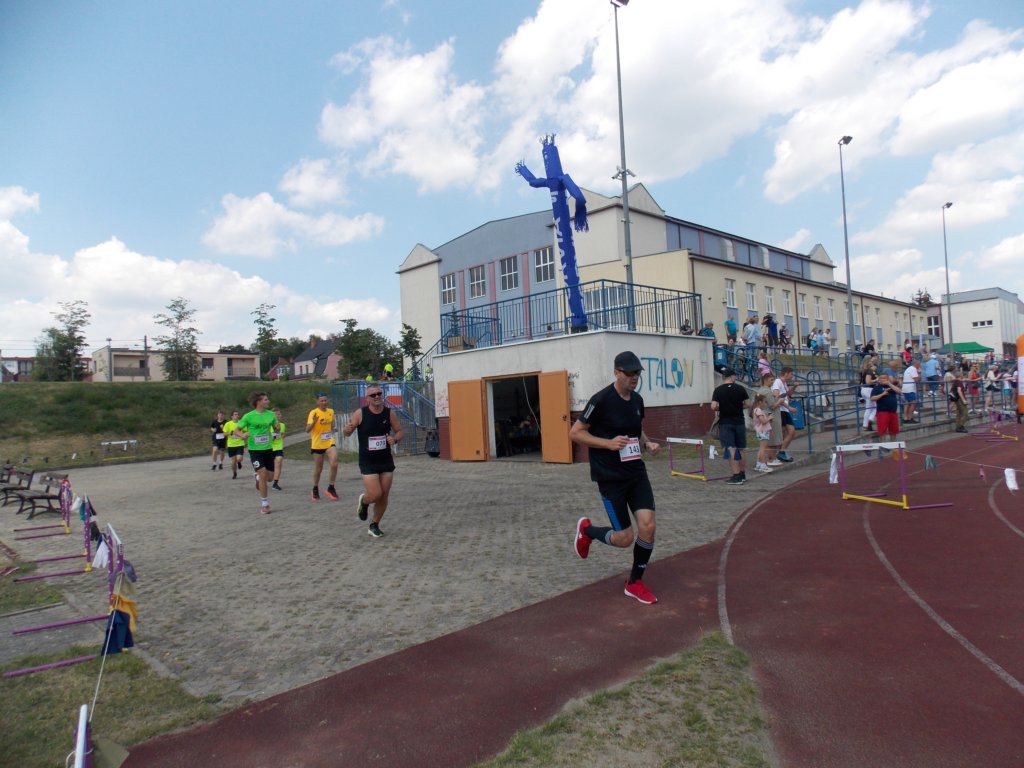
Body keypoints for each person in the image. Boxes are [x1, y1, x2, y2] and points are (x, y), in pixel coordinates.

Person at [570, 351, 661, 605]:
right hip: (610, 478)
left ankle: (634, 583)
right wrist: (608, 443)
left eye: (638, 373)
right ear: (616, 372)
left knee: (648, 526)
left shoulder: (638, 400)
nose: (635, 378)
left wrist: (647, 443)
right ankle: (587, 531)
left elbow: (637, 429)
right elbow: (576, 433)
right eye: (630, 373)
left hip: (636, 473)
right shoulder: (600, 400)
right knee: (624, 539)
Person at [343, 384, 404, 538]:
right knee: (375, 494)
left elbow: (399, 431)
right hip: (368, 461)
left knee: (384, 495)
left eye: (379, 393)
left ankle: (374, 524)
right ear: (367, 399)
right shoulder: (360, 413)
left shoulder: (389, 413)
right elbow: (347, 432)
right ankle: (364, 501)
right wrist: (347, 430)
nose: (377, 397)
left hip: (385, 460)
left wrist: (394, 439)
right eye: (373, 395)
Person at [233, 391, 280, 515]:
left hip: (268, 449)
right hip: (255, 450)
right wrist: (242, 435)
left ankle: (257, 477)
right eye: (266, 400)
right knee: (263, 474)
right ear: (258, 402)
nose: (268, 401)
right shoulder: (249, 416)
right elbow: (236, 430)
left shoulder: (271, 414)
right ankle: (265, 504)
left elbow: (276, 428)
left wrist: (277, 427)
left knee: (270, 478)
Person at [711, 366, 751, 484]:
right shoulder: (740, 388)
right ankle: (742, 474)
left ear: (724, 377)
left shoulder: (718, 390)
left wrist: (722, 407)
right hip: (739, 422)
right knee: (741, 448)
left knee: (730, 448)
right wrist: (738, 406)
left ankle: (736, 475)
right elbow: (748, 404)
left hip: (725, 422)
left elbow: (713, 406)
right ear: (732, 377)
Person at [305, 392, 339, 502]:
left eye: (325, 400)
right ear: (317, 402)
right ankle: (315, 488)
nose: (324, 402)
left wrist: (333, 429)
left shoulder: (331, 411)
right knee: (319, 468)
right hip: (317, 444)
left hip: (329, 442)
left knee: (334, 463)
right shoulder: (313, 413)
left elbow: (332, 425)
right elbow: (307, 430)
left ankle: (331, 487)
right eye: (322, 401)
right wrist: (314, 422)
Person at [771, 367, 799, 462]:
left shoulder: (784, 383)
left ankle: (781, 452)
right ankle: (780, 453)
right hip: (781, 410)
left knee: (788, 433)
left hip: (784, 410)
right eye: (791, 374)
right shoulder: (777, 382)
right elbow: (777, 397)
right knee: (787, 432)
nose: (792, 376)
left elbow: (788, 394)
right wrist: (789, 407)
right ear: (786, 373)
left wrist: (794, 387)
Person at [871, 371, 902, 444]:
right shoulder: (877, 387)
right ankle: (883, 445)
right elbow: (872, 398)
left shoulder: (891, 386)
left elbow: (899, 391)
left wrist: (889, 384)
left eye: (885, 378)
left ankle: (893, 445)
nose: (883, 380)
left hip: (893, 412)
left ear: (887, 379)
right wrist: (882, 394)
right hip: (883, 412)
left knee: (893, 431)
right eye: (881, 378)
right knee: (882, 430)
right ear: (879, 379)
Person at [751, 393, 774, 474]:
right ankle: (762, 465)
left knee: (761, 448)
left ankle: (759, 464)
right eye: (764, 402)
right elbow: (763, 421)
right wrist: (769, 418)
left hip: (761, 431)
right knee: (763, 449)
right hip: (763, 431)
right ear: (760, 402)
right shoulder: (758, 410)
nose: (765, 404)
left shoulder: (756, 410)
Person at [224, 410, 245, 479]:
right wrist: (230, 433)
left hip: (240, 444)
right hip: (231, 445)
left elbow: (246, 431)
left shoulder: (241, 423)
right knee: (233, 461)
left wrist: (243, 435)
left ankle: (239, 462)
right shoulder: (228, 424)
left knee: (239, 458)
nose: (237, 416)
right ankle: (234, 473)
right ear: (232, 416)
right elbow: (224, 434)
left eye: (237, 414)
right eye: (235, 414)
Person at [859, 358, 878, 431]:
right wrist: (876, 380)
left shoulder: (865, 370)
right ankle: (869, 421)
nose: (873, 362)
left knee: (869, 408)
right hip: (869, 389)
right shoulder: (869, 370)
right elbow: (868, 381)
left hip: (865, 389)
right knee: (875, 407)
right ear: (868, 362)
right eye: (871, 361)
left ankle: (866, 425)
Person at [270, 407, 285, 491]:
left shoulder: (282, 425)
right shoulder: (268, 426)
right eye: (277, 414)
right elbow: (268, 438)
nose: (279, 415)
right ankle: (258, 476)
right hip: (269, 448)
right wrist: (274, 436)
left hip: (278, 447)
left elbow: (282, 434)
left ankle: (275, 484)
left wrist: (282, 435)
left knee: (279, 461)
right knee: (269, 470)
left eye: (280, 414)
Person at [902, 359, 921, 423]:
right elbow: (917, 379)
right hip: (910, 389)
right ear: (917, 364)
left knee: (907, 403)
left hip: (906, 388)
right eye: (919, 365)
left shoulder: (909, 368)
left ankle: (906, 418)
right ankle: (910, 418)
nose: (920, 366)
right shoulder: (913, 369)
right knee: (913, 403)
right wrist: (919, 372)